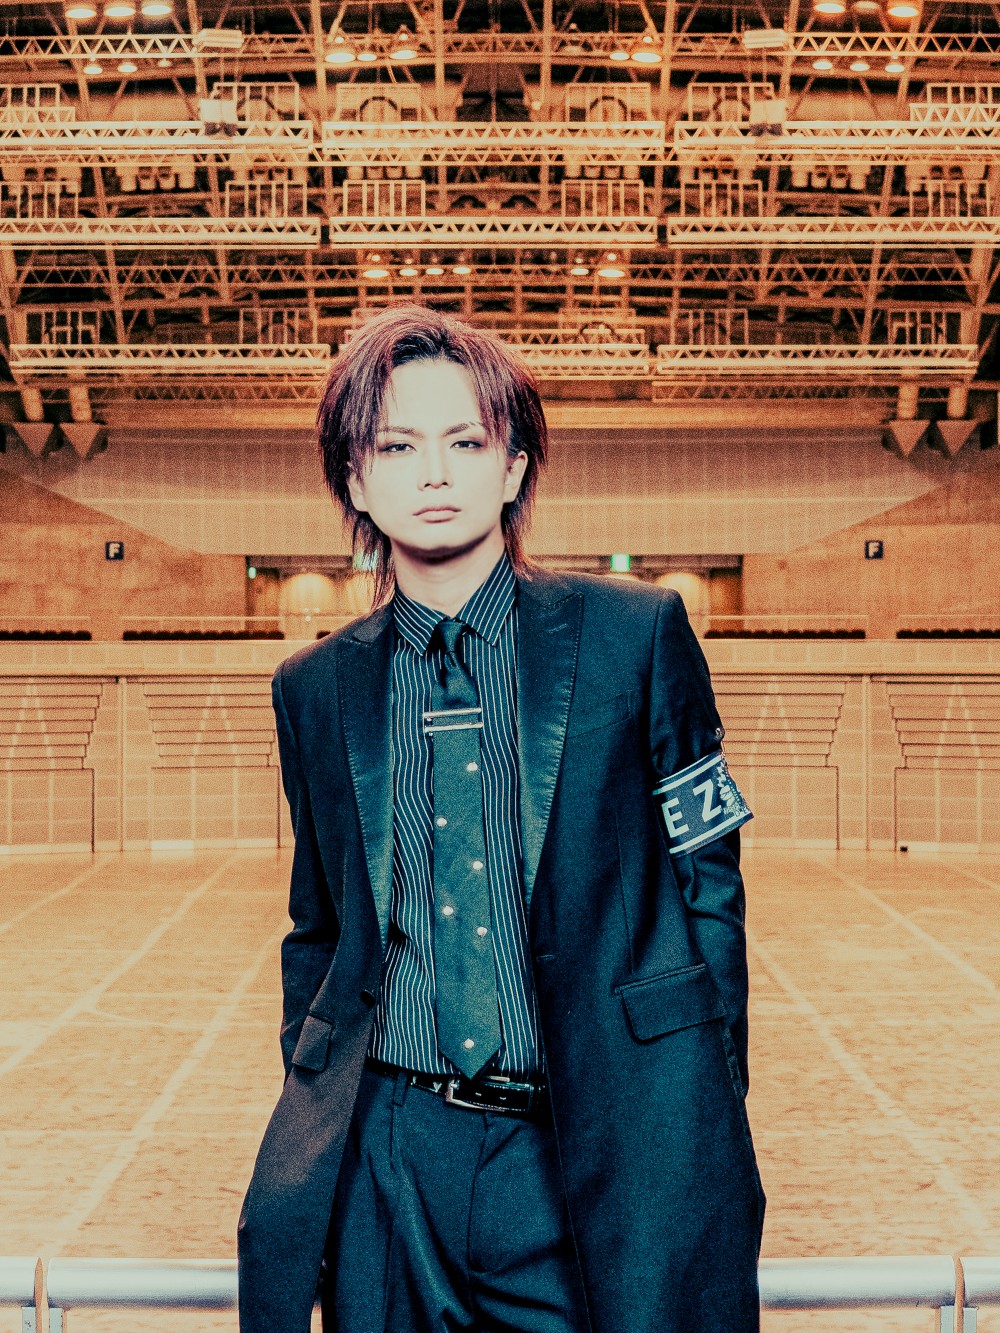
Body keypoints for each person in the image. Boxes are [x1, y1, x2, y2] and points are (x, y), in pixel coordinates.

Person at [237, 304, 765, 1333]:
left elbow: (710, 879)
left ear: (514, 466)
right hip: (390, 1148)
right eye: (397, 446)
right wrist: (324, 1106)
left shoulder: (637, 635)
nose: (434, 473)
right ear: (355, 479)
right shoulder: (312, 687)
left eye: (466, 442)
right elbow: (319, 927)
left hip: (585, 1132)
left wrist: (698, 1096)